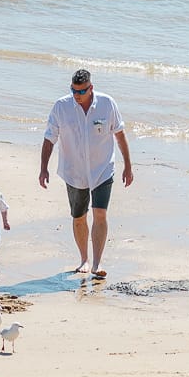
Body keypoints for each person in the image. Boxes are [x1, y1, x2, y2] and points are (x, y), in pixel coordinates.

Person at [39, 68, 134, 278]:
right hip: (74, 172)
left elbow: (119, 134)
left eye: (81, 91)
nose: (77, 95)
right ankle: (84, 259)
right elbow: (49, 138)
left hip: (102, 169)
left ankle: (97, 263)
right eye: (73, 90)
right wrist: (43, 167)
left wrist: (128, 165)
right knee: (79, 217)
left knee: (100, 213)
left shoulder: (107, 104)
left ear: (91, 88)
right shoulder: (61, 107)